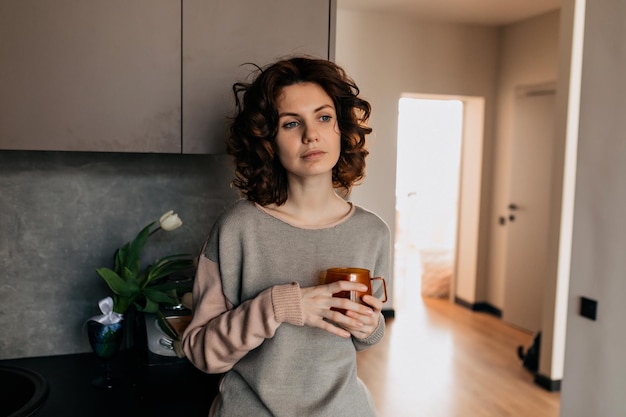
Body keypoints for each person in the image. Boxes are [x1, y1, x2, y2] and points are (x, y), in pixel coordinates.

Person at [182, 56, 390, 417]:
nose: (311, 134)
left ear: (341, 128)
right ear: (269, 141)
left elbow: (361, 336)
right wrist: (277, 306)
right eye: (291, 123)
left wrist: (371, 326)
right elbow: (201, 351)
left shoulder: (372, 233)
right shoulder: (237, 229)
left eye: (324, 117)